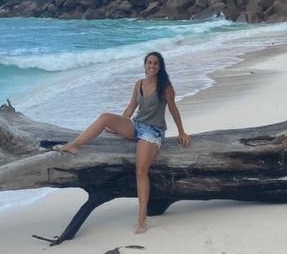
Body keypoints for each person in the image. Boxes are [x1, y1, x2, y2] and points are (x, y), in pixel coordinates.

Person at [53, 51, 190, 234]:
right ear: (145, 65)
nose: (152, 66)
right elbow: (131, 107)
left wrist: (182, 132)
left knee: (141, 171)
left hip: (153, 131)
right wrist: (119, 125)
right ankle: (74, 145)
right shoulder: (139, 84)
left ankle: (142, 219)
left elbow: (173, 109)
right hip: (137, 125)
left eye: (155, 64)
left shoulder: (165, 87)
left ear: (160, 66)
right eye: (149, 63)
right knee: (104, 118)